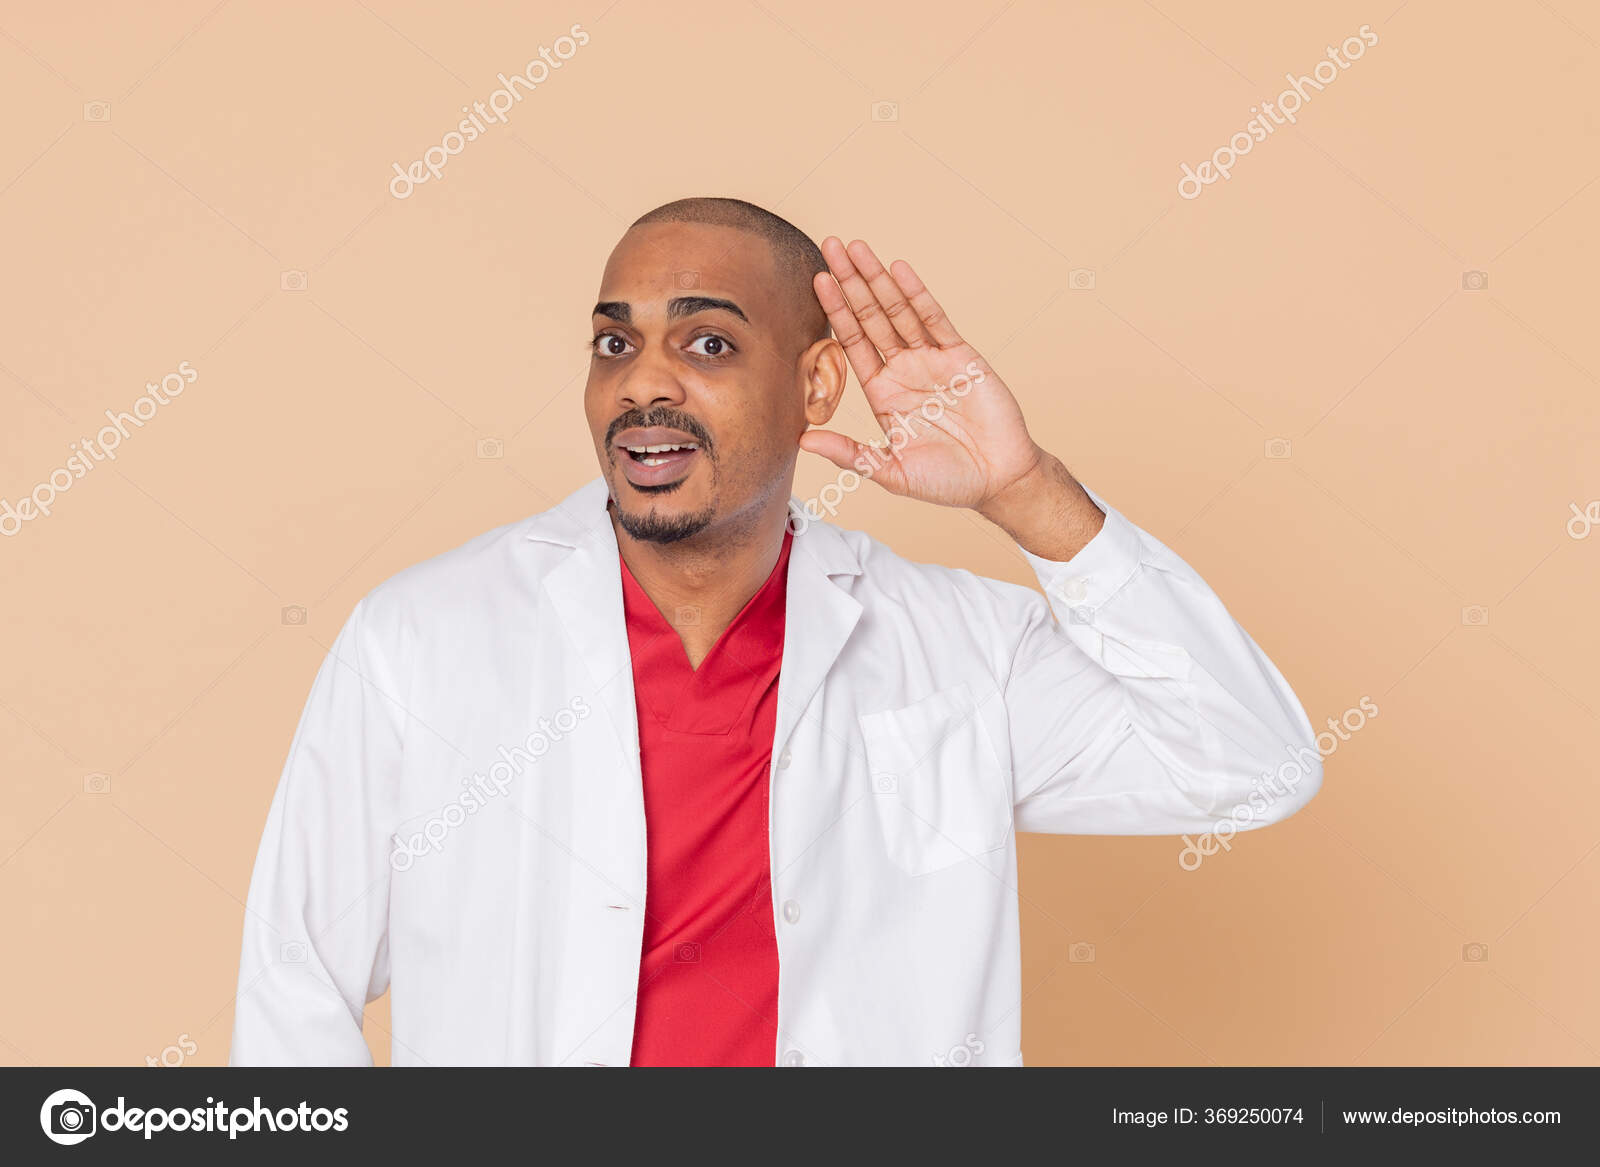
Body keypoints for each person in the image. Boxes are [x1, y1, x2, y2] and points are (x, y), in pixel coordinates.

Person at [229, 197, 1320, 1067]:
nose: (642, 383)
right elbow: (295, 982)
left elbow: (1252, 768)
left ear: (816, 385)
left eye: (706, 342)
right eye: (614, 344)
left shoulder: (957, 649)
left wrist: (1026, 493)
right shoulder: (425, 637)